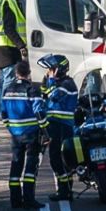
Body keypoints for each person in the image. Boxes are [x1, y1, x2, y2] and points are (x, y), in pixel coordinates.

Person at [0, 60, 47, 209]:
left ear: (16, 74)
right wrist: (45, 130)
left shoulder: (7, 90)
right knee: (31, 166)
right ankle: (28, 199)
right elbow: (39, 112)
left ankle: (15, 200)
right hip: (31, 133)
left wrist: (11, 128)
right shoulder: (32, 90)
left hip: (15, 134)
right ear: (29, 73)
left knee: (16, 165)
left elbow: (3, 113)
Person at [38, 54, 78, 202]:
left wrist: (50, 80)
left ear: (59, 70)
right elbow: (44, 93)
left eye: (51, 69)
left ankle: (65, 190)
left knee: (59, 158)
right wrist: (46, 80)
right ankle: (65, 189)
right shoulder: (59, 82)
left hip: (62, 126)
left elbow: (53, 96)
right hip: (55, 125)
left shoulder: (67, 84)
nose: (49, 71)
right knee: (58, 158)